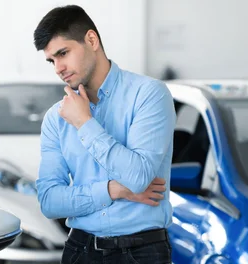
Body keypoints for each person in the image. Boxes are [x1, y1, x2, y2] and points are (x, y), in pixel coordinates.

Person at [33, 5, 175, 264]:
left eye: (63, 53)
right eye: (51, 60)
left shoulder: (149, 95)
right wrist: (111, 190)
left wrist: (85, 123)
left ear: (91, 40)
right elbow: (49, 201)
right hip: (80, 249)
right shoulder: (56, 117)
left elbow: (139, 177)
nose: (58, 68)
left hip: (142, 252)